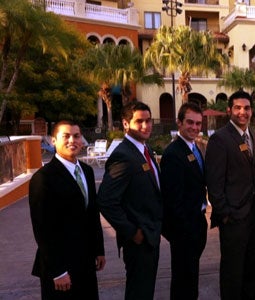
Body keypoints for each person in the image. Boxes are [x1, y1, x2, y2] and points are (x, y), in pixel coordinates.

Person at [29, 120, 105, 300]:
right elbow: (42, 229)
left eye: (77, 136)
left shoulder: (87, 171)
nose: (72, 140)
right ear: (53, 140)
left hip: (86, 263)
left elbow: (93, 214)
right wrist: (57, 271)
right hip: (60, 268)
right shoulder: (43, 178)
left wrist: (99, 249)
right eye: (66, 136)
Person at [97, 101, 162, 300]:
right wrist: (132, 232)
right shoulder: (123, 156)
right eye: (139, 121)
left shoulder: (145, 149)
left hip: (151, 235)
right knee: (138, 292)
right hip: (139, 241)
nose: (146, 125)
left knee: (145, 290)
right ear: (126, 124)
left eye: (149, 120)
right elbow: (106, 200)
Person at [205, 90, 255, 300]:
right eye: (237, 108)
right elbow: (214, 183)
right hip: (233, 219)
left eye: (246, 108)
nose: (242, 112)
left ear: (251, 110)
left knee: (252, 270)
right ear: (229, 110)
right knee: (232, 273)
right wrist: (226, 215)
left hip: (254, 217)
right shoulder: (220, 139)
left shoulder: (254, 136)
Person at [160, 102, 207, 300]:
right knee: (182, 280)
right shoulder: (173, 153)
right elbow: (173, 199)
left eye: (198, 124)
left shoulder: (195, 148)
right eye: (190, 122)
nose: (195, 128)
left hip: (196, 224)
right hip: (184, 230)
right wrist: (185, 229)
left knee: (190, 278)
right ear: (179, 122)